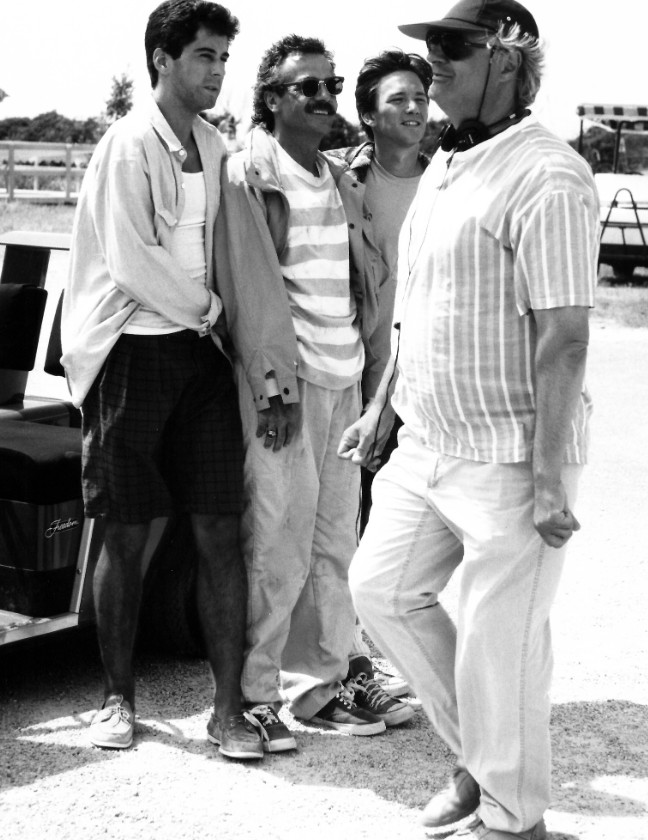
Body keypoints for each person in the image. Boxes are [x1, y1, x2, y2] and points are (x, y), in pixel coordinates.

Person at [340, 1, 600, 837]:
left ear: (508, 59)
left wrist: (550, 480)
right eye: (432, 48)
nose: (435, 64)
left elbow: (564, 335)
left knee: (500, 643)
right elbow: (418, 303)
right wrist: (383, 408)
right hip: (428, 441)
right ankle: (482, 764)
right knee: (381, 591)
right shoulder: (449, 160)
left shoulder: (548, 174)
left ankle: (513, 820)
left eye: (453, 46)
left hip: (510, 453)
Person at [61, 0, 263, 761]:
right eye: (205, 55)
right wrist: (213, 311)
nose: (217, 71)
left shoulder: (214, 143)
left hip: (203, 359)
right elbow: (133, 262)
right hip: (131, 352)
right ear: (163, 59)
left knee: (220, 530)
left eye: (223, 58)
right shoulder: (126, 145)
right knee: (125, 530)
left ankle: (228, 711)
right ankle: (117, 699)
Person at [215, 34, 412, 751]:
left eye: (331, 85)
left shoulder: (338, 178)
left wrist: (375, 388)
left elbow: (367, 288)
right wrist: (273, 386)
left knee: (335, 545)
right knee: (276, 546)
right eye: (308, 87)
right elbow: (247, 286)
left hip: (344, 382)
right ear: (271, 99)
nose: (326, 97)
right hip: (285, 390)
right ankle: (254, 695)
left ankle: (321, 687)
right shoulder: (249, 173)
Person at [326, 49, 432, 698]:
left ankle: (395, 655)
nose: (415, 107)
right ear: (368, 114)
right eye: (399, 98)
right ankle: (355, 659)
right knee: (352, 522)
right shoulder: (339, 178)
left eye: (421, 95)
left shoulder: (451, 177)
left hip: (425, 380)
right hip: (355, 373)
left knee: (412, 530)